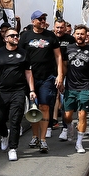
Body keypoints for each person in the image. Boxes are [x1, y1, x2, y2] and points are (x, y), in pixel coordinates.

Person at [0, 27, 35, 161]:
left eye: (17, 35)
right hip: (2, 91)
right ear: (5, 39)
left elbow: (28, 73)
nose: (15, 37)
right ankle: (4, 135)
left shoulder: (24, 53)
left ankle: (13, 148)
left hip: (19, 91)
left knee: (15, 119)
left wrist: (31, 90)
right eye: (12, 36)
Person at [18, 11, 64, 154]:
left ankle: (43, 139)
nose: (43, 21)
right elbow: (20, 55)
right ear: (33, 21)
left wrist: (60, 75)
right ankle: (34, 136)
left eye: (44, 18)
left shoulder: (51, 36)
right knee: (34, 108)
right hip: (31, 78)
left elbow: (58, 56)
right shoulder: (25, 36)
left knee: (44, 106)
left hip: (48, 77)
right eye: (40, 19)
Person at [63, 24, 89, 153]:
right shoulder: (68, 48)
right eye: (77, 33)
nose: (79, 36)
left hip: (85, 87)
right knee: (67, 116)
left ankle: (79, 143)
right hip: (70, 86)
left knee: (82, 114)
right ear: (74, 34)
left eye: (82, 34)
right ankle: (69, 126)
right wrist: (61, 79)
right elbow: (64, 65)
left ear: (86, 36)